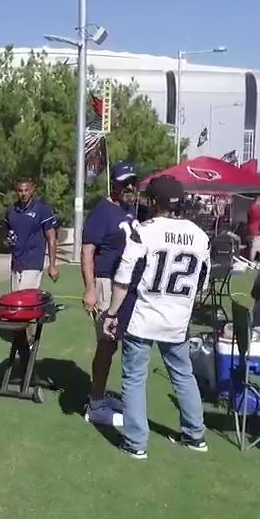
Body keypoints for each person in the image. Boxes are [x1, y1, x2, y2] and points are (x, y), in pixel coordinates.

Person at [102, 175, 211, 459]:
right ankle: (195, 434)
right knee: (183, 376)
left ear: (153, 202)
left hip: (144, 315)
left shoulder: (144, 230)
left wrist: (112, 313)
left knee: (135, 378)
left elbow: (124, 278)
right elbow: (203, 284)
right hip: (177, 319)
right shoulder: (200, 235)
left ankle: (136, 442)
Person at [80, 163, 139, 405]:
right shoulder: (102, 211)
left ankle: (108, 394)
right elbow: (87, 253)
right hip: (106, 283)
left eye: (132, 182)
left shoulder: (129, 210)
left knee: (126, 342)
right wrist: (90, 289)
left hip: (127, 286)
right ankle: (96, 397)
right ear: (113, 184)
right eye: (125, 182)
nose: (129, 187)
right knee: (107, 343)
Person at [3, 177, 60, 290]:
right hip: (16, 263)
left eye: (26, 190)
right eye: (20, 191)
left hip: (33, 263)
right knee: (15, 301)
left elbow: (51, 237)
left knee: (25, 299)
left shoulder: (42, 209)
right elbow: (6, 233)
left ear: (32, 190)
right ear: (16, 192)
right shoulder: (11, 211)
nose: (23, 194)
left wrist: (52, 265)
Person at [247, 194, 260, 262]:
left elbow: (249, 217)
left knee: (252, 247)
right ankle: (252, 261)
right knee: (256, 248)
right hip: (259, 230)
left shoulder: (251, 207)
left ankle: (251, 260)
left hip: (251, 230)